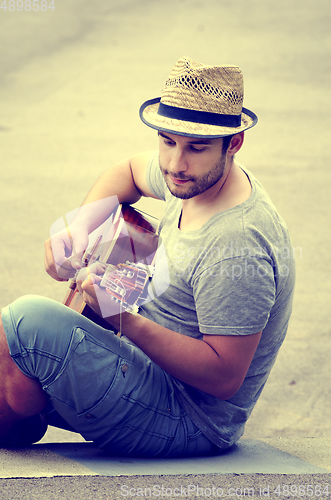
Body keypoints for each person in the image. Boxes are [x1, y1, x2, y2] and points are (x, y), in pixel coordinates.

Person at [0, 57, 295, 456]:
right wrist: (79, 228)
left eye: (196, 147)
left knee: (23, 322)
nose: (176, 164)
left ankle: (22, 410)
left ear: (234, 144)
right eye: (167, 141)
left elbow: (224, 377)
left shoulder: (237, 244)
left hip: (187, 418)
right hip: (140, 364)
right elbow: (127, 171)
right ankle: (21, 407)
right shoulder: (192, 178)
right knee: (11, 349)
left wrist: (123, 319)